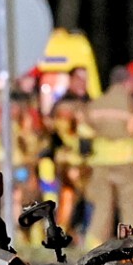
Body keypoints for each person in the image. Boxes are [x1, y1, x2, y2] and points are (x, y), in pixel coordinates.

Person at [75, 65, 133, 248]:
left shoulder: (95, 105)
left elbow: (84, 134)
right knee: (131, 209)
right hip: (128, 163)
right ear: (127, 82)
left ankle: (94, 249)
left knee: (101, 208)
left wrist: (86, 157)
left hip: (100, 164)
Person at [50, 66, 92, 234]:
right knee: (68, 199)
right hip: (68, 161)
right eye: (79, 79)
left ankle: (84, 235)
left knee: (89, 201)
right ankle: (62, 233)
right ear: (71, 81)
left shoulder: (90, 102)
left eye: (85, 79)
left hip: (87, 163)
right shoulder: (64, 105)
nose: (83, 83)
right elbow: (64, 134)